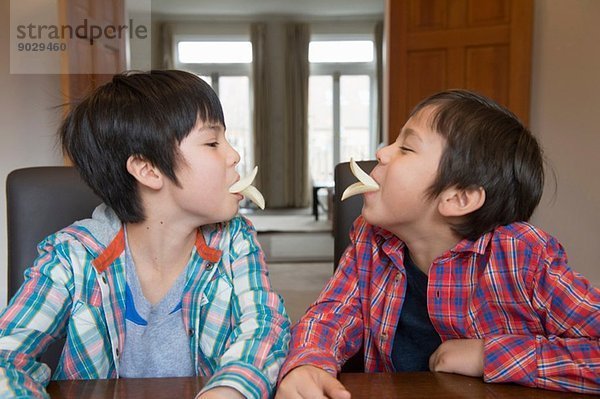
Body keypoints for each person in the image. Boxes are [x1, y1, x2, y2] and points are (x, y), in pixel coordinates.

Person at [276, 89, 600, 397]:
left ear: (458, 198)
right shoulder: (370, 240)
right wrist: (308, 362)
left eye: (406, 147)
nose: (381, 152)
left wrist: (490, 356)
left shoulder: (523, 257)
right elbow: (331, 315)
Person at [0, 70, 290, 399]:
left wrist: (229, 390)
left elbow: (266, 326)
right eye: (212, 142)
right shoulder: (72, 256)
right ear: (148, 169)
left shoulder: (234, 240)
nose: (234, 155)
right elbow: (5, 359)